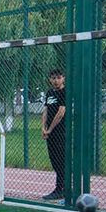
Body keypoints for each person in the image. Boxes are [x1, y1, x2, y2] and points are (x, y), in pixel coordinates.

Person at [42, 69, 66, 200]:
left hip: (60, 132)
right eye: (53, 78)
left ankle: (60, 189)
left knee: (60, 160)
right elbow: (45, 110)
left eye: (58, 78)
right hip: (50, 133)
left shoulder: (64, 92)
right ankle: (62, 188)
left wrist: (50, 129)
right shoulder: (50, 93)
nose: (56, 80)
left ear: (63, 78)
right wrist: (43, 128)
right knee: (54, 160)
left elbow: (61, 113)